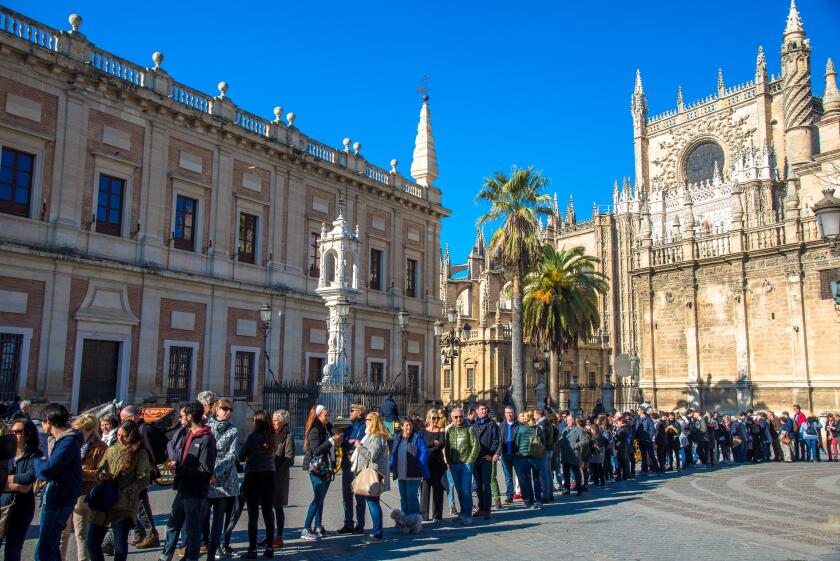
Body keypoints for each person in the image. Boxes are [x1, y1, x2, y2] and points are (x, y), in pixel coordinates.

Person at [86, 420, 152, 561]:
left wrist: (129, 491)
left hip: (123, 505)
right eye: (118, 435)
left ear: (132, 436)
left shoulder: (140, 453)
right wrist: (100, 475)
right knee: (91, 544)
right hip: (103, 502)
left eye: (124, 436)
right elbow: (100, 469)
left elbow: (144, 478)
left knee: (120, 547)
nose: (120, 438)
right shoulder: (112, 449)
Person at [159, 401, 216, 561]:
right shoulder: (187, 434)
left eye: (182, 416)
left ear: (190, 417)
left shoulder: (206, 439)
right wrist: (177, 464)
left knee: (192, 529)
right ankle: (166, 555)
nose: (180, 418)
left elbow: (205, 469)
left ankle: (192, 557)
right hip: (182, 488)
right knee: (172, 524)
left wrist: (179, 469)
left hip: (195, 491)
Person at [34, 402, 84, 561]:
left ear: (48, 420)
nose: (41, 426)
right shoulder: (60, 440)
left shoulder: (68, 442)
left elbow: (47, 470)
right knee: (51, 548)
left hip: (59, 499)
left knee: (44, 551)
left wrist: (37, 462)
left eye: (42, 421)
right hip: (55, 497)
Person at [60, 413, 107, 561]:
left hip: (84, 493)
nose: (80, 432)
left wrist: (79, 472)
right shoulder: (71, 443)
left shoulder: (100, 447)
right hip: (66, 491)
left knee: (81, 533)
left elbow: (102, 473)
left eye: (83, 429)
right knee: (63, 532)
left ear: (90, 429)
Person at [119, 405, 160, 549]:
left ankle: (151, 534)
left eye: (123, 420)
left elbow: (150, 453)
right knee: (135, 504)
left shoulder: (144, 430)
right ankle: (139, 532)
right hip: (135, 473)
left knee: (141, 504)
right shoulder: (135, 430)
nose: (122, 423)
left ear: (131, 418)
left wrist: (151, 472)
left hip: (143, 473)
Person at [0, 419, 41, 561]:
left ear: (27, 434)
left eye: (18, 432)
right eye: (12, 432)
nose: (14, 435)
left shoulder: (35, 454)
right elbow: (21, 483)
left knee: (13, 550)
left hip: (22, 508)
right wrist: (15, 483)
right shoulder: (4, 453)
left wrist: (5, 479)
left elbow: (29, 478)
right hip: (2, 505)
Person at [237, 410, 276, 559]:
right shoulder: (271, 437)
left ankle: (252, 549)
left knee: (253, 514)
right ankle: (269, 547)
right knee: (268, 512)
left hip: (253, 475)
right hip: (270, 475)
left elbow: (241, 456)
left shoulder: (252, 437)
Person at [206, 399, 239, 561]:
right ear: (216, 410)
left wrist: (216, 473)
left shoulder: (233, 430)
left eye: (231, 409)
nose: (228, 412)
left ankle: (217, 547)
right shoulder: (206, 428)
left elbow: (231, 454)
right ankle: (204, 542)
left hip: (225, 480)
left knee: (220, 518)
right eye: (225, 408)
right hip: (206, 478)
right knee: (203, 516)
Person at [301, 405, 340, 541]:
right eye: (325, 415)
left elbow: (330, 447)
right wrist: (330, 441)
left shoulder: (327, 428)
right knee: (317, 498)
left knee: (321, 498)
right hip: (317, 468)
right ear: (318, 416)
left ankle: (318, 526)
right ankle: (306, 527)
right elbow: (316, 450)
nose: (327, 417)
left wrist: (336, 442)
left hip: (327, 467)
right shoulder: (314, 430)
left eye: (328, 415)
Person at [351, 411, 390, 543]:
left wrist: (359, 446)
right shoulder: (370, 435)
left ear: (373, 421)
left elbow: (372, 455)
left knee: (373, 503)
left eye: (367, 419)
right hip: (369, 473)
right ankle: (376, 531)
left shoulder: (376, 437)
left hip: (373, 475)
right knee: (372, 503)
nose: (365, 422)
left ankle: (378, 533)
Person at [443, 407, 478, 525]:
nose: (458, 419)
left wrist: (469, 461)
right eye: (456, 417)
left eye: (460, 416)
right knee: (459, 490)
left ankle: (467, 515)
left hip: (466, 465)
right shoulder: (450, 430)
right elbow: (447, 447)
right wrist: (447, 460)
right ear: (451, 418)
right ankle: (463, 513)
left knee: (466, 490)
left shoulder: (470, 429)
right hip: (453, 465)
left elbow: (476, 446)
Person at [390, 416, 429, 519]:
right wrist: (391, 466)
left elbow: (424, 452)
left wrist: (419, 465)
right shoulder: (398, 436)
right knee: (403, 498)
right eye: (406, 425)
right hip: (401, 471)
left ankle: (415, 520)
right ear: (402, 427)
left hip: (413, 472)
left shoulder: (418, 435)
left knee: (411, 497)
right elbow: (393, 453)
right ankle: (404, 519)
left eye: (410, 425)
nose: (409, 427)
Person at [337, 404, 367, 535]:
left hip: (358, 464)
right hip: (346, 464)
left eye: (352, 411)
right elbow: (344, 441)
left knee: (359, 495)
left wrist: (350, 441)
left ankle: (360, 524)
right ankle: (348, 522)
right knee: (346, 495)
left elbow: (361, 442)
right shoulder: (349, 428)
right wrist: (348, 440)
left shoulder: (364, 427)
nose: (349, 413)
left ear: (359, 412)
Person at [271, 410, 295, 550]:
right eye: (273, 420)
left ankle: (279, 536)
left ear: (283, 422)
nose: (273, 423)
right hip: (267, 474)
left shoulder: (288, 436)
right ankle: (269, 535)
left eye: (276, 420)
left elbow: (289, 458)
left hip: (279, 477)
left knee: (278, 507)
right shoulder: (269, 434)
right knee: (267, 507)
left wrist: (277, 472)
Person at [472, 403, 500, 518]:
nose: (484, 411)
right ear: (477, 411)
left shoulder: (491, 424)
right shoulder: (473, 425)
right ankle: (481, 507)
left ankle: (487, 509)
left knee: (486, 485)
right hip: (475, 459)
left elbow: (496, 440)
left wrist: (492, 454)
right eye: (482, 409)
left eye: (485, 409)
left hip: (485, 458)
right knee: (478, 485)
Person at [420, 409, 446, 521]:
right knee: (425, 489)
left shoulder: (441, 430)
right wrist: (433, 444)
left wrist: (429, 448)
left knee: (437, 489)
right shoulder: (423, 431)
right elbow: (422, 444)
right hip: (426, 463)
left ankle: (437, 515)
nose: (436, 420)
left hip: (437, 462)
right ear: (429, 418)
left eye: (437, 418)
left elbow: (441, 445)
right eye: (434, 418)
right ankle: (423, 515)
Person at [558, 415, 586, 496]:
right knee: (566, 472)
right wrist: (559, 443)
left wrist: (575, 445)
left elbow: (584, 441)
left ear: (573, 421)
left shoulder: (578, 430)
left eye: (570, 420)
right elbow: (561, 439)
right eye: (567, 420)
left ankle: (579, 488)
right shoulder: (564, 430)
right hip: (565, 454)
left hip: (574, 454)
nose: (568, 422)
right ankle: (567, 488)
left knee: (576, 472)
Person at [532, 408, 554, 504]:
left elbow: (541, 439)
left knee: (544, 475)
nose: (533, 416)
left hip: (544, 451)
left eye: (534, 414)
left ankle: (546, 496)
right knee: (548, 473)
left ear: (538, 414)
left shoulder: (541, 424)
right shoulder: (548, 422)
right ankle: (550, 494)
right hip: (549, 450)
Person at [498, 406, 519, 505]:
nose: (509, 414)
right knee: (508, 476)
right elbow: (499, 441)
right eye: (507, 412)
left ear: (514, 414)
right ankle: (509, 495)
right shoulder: (501, 426)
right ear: (505, 414)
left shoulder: (518, 425)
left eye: (511, 412)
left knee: (520, 475)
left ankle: (524, 494)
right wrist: (498, 453)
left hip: (516, 454)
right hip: (505, 454)